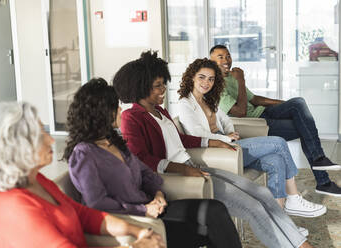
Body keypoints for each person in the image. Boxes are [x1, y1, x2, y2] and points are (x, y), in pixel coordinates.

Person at [113, 50, 314, 248]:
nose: (163, 90)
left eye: (163, 84)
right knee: (252, 206)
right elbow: (140, 158)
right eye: (157, 86)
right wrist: (182, 169)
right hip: (179, 176)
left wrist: (212, 142)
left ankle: (302, 244)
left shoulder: (160, 111)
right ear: (140, 87)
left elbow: (180, 139)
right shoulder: (132, 117)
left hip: (192, 165)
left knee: (262, 194)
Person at [63, 78, 242, 248]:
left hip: (154, 207)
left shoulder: (114, 142)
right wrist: (143, 210)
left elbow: (146, 173)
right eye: (115, 107)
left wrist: (158, 195)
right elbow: (97, 203)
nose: (120, 110)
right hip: (134, 219)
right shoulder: (84, 154)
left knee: (215, 210)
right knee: (210, 230)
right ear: (100, 113)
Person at [0, 101, 165, 248]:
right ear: (16, 148)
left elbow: (83, 215)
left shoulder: (36, 180)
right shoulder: (12, 207)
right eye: (40, 134)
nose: (51, 140)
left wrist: (137, 230)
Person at [177, 58, 326, 219]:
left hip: (229, 144)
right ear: (192, 76)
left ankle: (280, 221)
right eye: (202, 77)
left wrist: (229, 134)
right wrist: (226, 139)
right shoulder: (185, 104)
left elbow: (226, 121)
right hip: (216, 151)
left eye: (211, 79)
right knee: (278, 143)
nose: (206, 82)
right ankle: (293, 197)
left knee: (275, 160)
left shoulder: (207, 100)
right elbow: (197, 134)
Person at [210, 44, 341, 197]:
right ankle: (322, 178)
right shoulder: (216, 86)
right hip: (256, 123)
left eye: (228, 56)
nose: (226, 60)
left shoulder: (232, 77)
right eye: (220, 57)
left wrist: (286, 104)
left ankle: (320, 165)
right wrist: (241, 81)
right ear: (211, 61)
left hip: (265, 112)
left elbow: (255, 99)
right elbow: (241, 112)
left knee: (298, 103)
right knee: (304, 128)